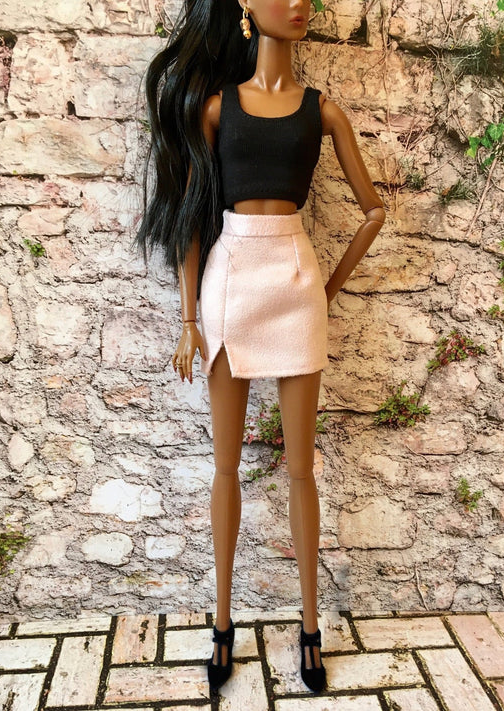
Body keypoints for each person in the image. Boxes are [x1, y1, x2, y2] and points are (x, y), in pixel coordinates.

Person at [137, 0, 385, 694]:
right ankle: (221, 625)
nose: (298, 2)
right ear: (245, 4)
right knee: (225, 467)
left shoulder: (322, 111)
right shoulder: (217, 108)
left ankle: (309, 628)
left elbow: (374, 211)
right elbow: (192, 220)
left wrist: (325, 292)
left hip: (295, 282)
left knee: (302, 469)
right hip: (230, 282)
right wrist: (189, 317)